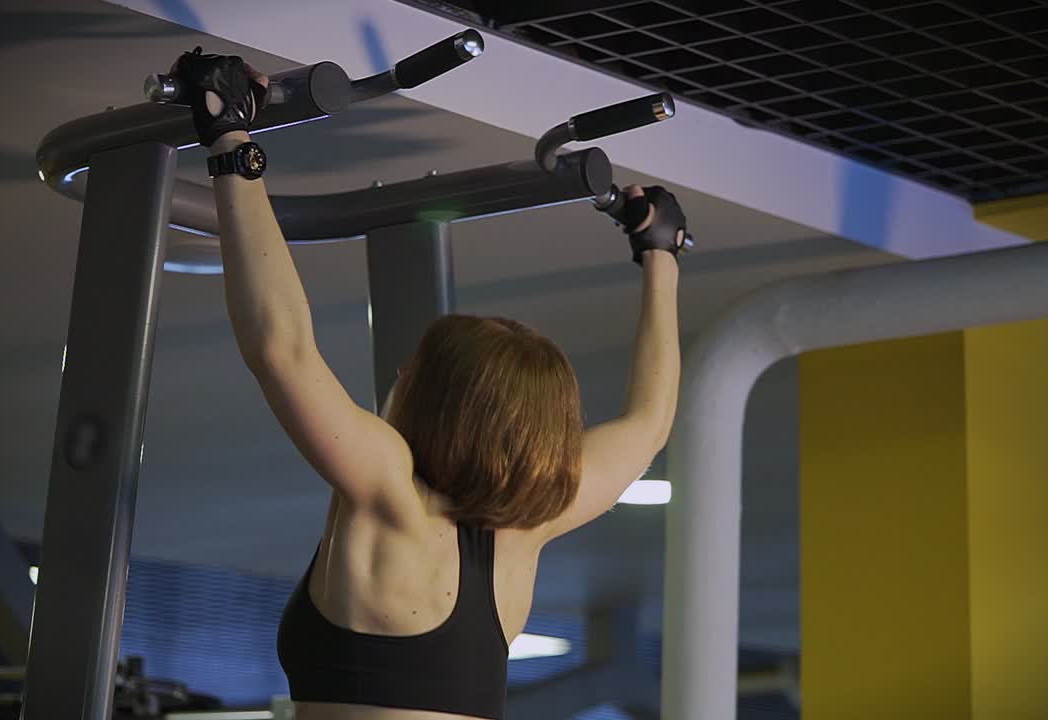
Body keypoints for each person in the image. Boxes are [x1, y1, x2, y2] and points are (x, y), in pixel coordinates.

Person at [172, 49, 689, 720]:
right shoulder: (529, 529)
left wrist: (231, 141)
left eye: (413, 370)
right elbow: (649, 423)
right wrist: (661, 257)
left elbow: (283, 350)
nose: (399, 375)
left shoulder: (392, 498)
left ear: (435, 400)